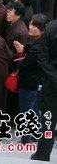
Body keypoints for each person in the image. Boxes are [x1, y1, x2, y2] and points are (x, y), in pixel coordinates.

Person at [14, 14, 48, 145]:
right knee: (34, 111)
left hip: (29, 84)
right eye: (31, 24)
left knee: (26, 112)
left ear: (43, 29)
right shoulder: (41, 43)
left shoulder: (37, 48)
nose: (31, 27)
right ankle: (36, 134)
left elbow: (25, 65)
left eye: (35, 26)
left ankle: (25, 139)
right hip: (36, 84)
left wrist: (20, 53)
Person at [31, 19, 57, 161]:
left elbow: (42, 58)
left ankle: (42, 154)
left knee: (48, 122)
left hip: (51, 85)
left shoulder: (52, 28)